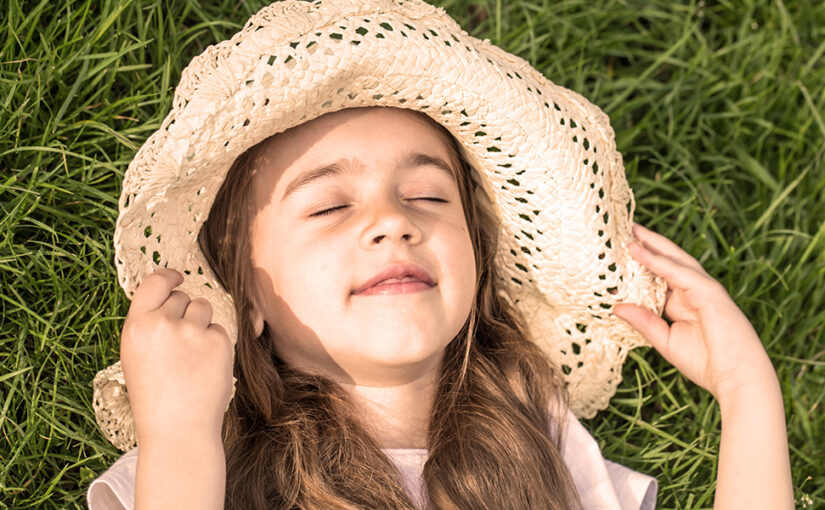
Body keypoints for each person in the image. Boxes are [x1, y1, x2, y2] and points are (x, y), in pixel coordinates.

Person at [86, 2, 793, 509]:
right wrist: (178, 432)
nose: (393, 222)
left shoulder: (546, 454)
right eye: (330, 205)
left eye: (427, 196)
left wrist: (744, 388)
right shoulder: (195, 469)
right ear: (247, 293)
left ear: (478, 259)